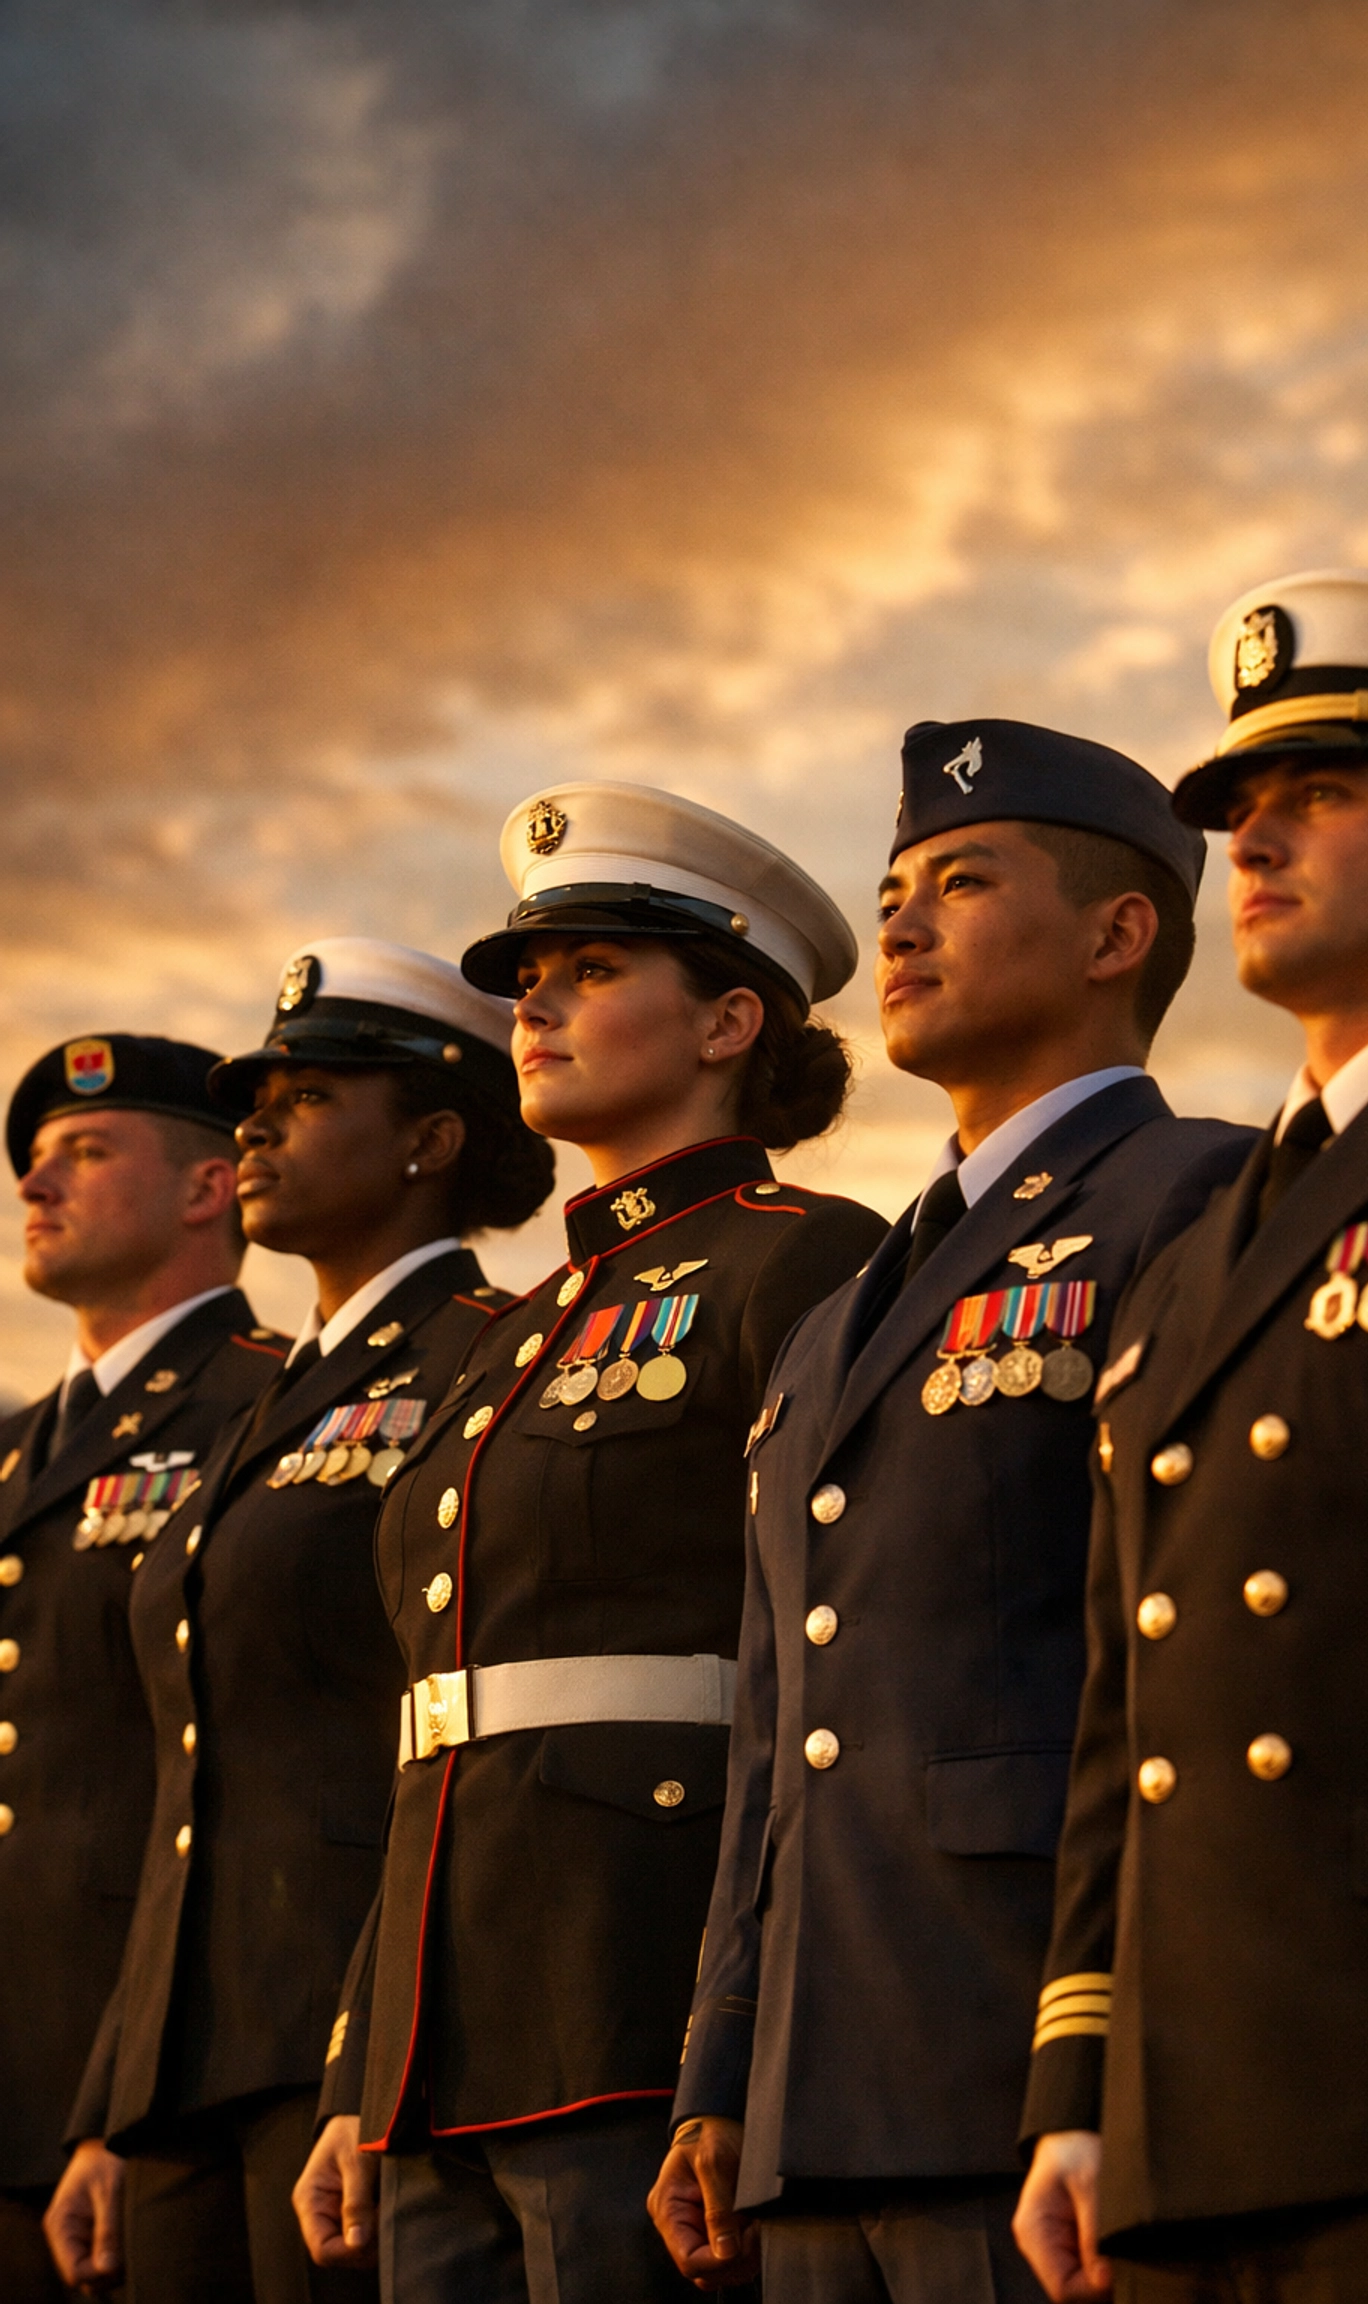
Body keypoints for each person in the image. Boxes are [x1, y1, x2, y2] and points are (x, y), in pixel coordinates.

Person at [649, 718, 1255, 2304]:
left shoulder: (1194, 1197)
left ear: (1120, 933)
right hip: (812, 2085)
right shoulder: (840, 1312)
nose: (901, 927)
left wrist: (1114, 2039)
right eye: (894, 889)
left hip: (1024, 2054)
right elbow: (780, 1724)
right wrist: (721, 2064)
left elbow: (1179, 1662)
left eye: (963, 882)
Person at [1015, 569, 1368, 2304]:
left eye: (1317, 792)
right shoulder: (1201, 1247)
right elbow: (1127, 1710)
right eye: (1237, 806)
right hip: (1196, 2118)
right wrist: (1077, 2089)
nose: (1252, 837)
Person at [292, 784, 887, 2303]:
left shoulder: (801, 1259)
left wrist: (740, 2034)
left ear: (728, 1024)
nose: (537, 1003)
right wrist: (366, 2059)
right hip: (446, 2020)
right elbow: (437, 1713)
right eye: (527, 982)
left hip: (644, 1993)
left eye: (596, 969)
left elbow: (825, 1674)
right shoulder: (517, 1334)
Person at [46, 940, 554, 2304]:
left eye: (313, 1097)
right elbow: (189, 1773)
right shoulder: (263, 1400)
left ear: (431, 1139)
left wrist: (377, 2048)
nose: (260, 1123)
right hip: (190, 2058)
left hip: (354, 2030)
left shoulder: (484, 1353)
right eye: (255, 1099)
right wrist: (112, 2096)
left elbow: (451, 1742)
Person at [0, 1035, 281, 2304]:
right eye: (34, 1163)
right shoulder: (10, 1450)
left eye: (87, 1151)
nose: (36, 1186)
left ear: (209, 1187)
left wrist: (123, 2106)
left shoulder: (266, 1406)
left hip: (143, 2081)